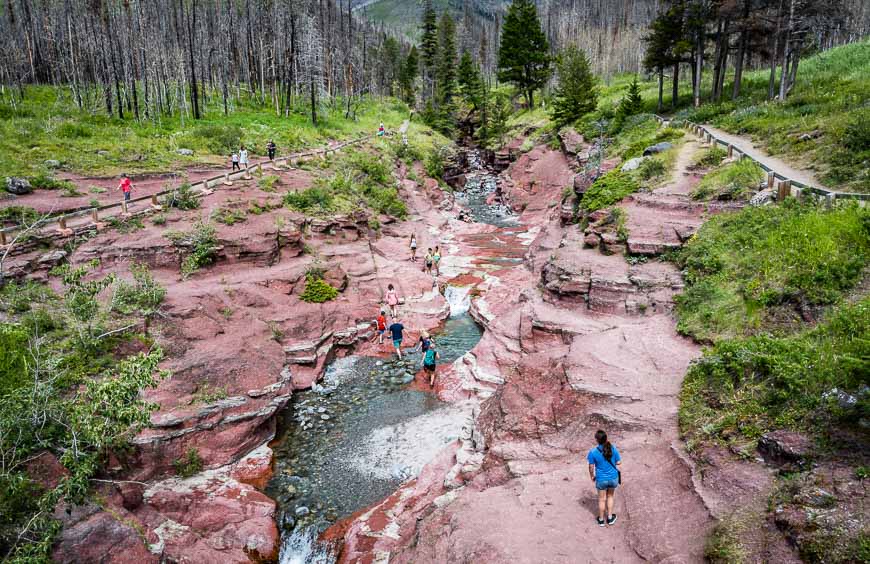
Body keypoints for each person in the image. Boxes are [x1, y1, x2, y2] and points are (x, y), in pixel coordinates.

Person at [588, 429, 621, 527]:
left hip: (601, 479)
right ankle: (610, 518)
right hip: (613, 478)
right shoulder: (613, 448)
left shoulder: (593, 452)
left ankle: (601, 520)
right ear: (606, 438)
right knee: (610, 496)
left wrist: (592, 476)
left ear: (597, 440)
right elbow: (618, 462)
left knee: (601, 499)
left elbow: (591, 467)